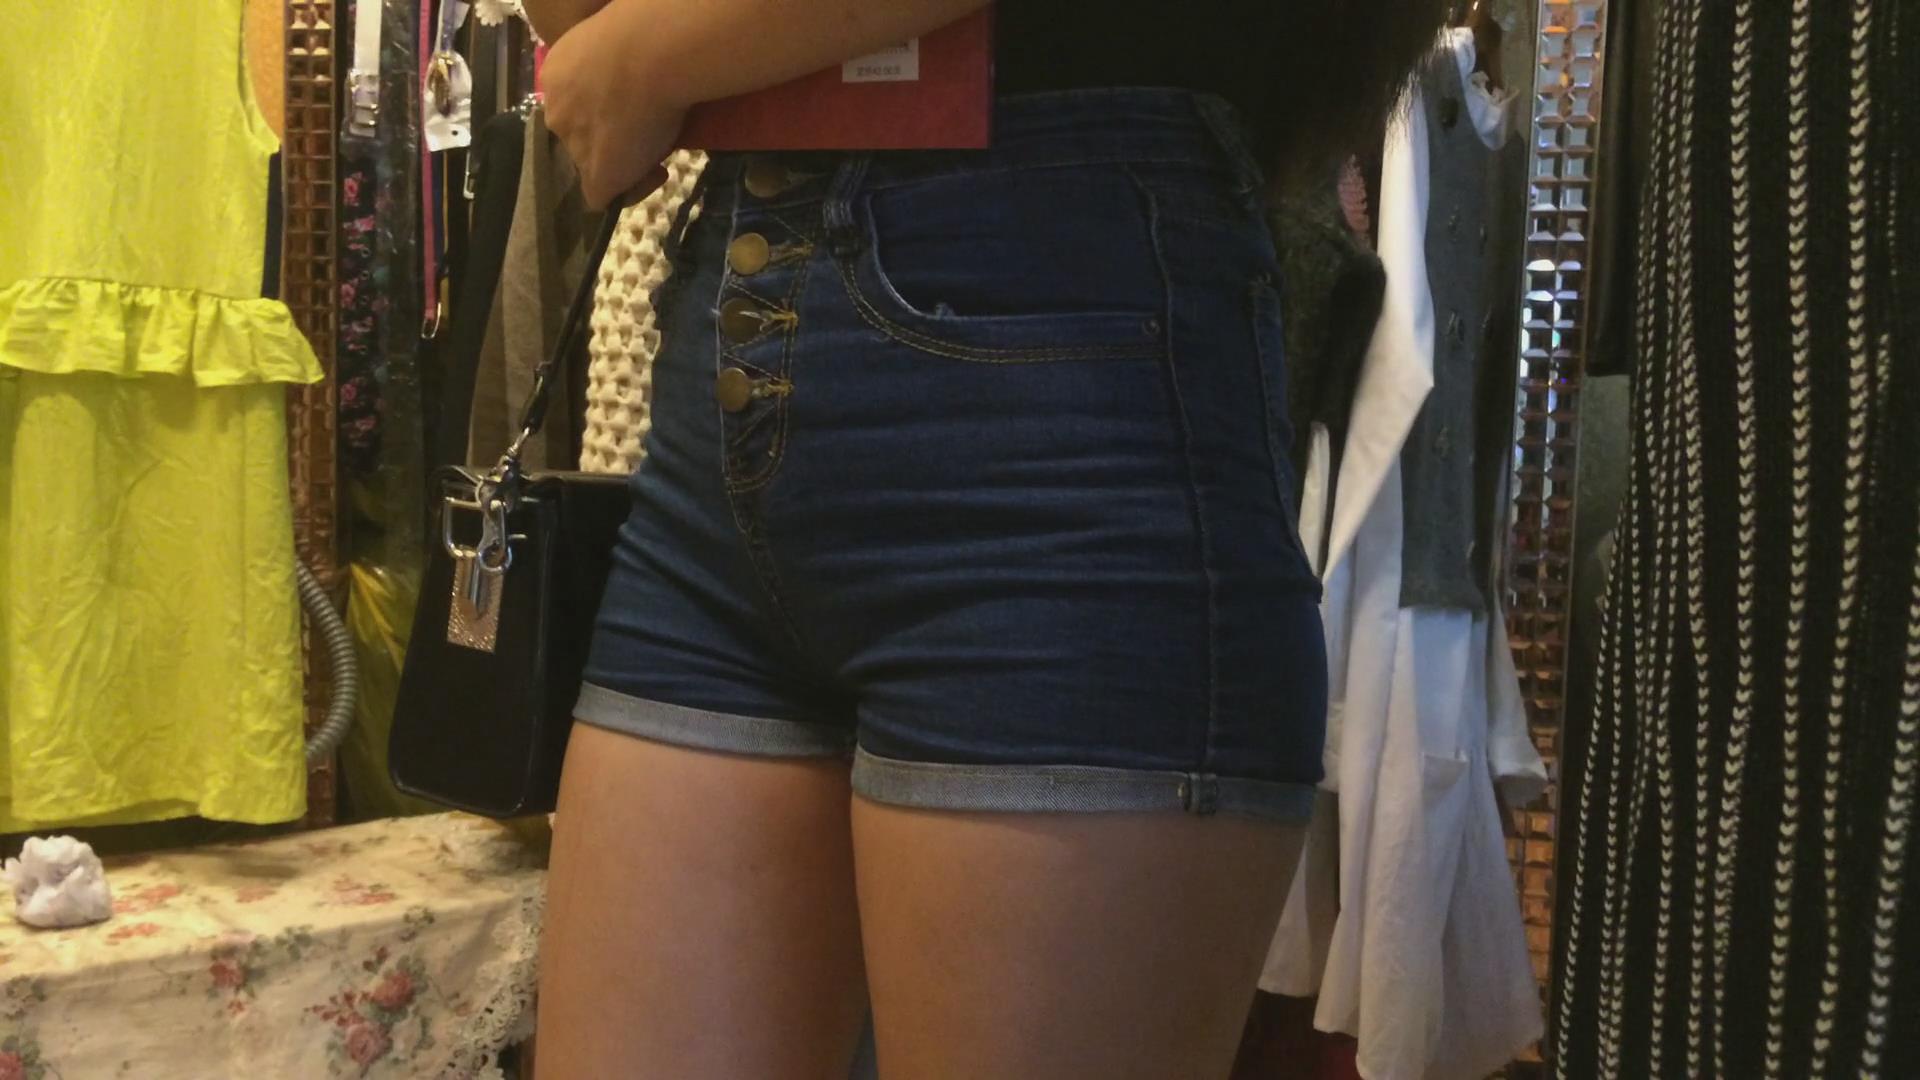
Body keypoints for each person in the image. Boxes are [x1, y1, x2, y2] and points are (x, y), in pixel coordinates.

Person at [528, 2, 1446, 1076]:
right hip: (725, 381)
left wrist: (638, 60)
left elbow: (599, 55)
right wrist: (619, 53)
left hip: (1059, 360)